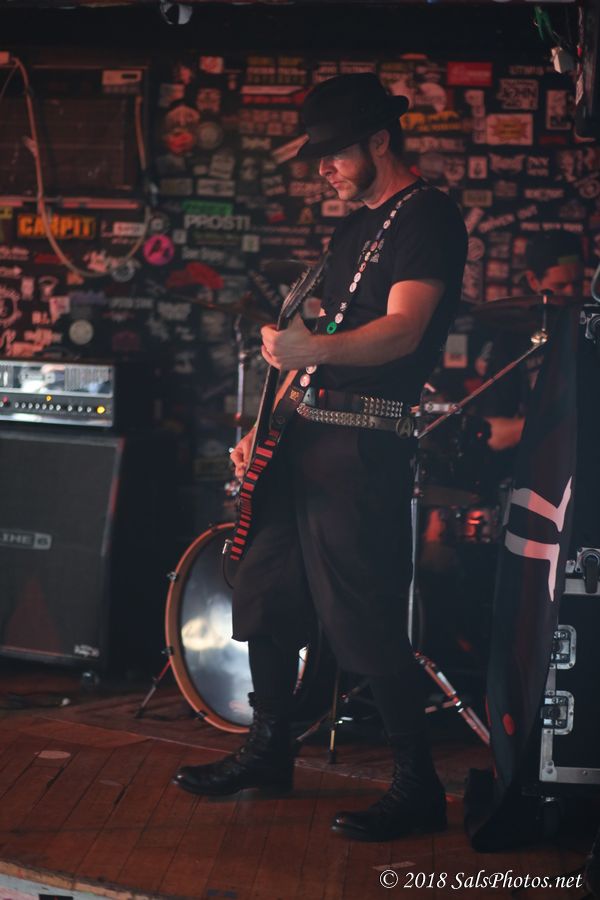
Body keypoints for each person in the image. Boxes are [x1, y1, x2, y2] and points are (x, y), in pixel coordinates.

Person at [173, 73, 468, 842]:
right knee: (265, 593)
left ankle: (417, 785)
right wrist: (261, 426)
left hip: (361, 445)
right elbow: (308, 351)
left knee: (363, 614)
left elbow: (404, 328)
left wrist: (313, 351)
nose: (324, 169)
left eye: (334, 154)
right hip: (300, 437)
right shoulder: (352, 230)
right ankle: (269, 751)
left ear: (380, 141)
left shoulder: (427, 216)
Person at [480, 230, 583, 456]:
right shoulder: (512, 339)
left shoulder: (591, 328)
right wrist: (560, 421)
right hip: (536, 462)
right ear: (533, 280)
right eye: (561, 285)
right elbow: (493, 434)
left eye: (577, 283)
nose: (571, 293)